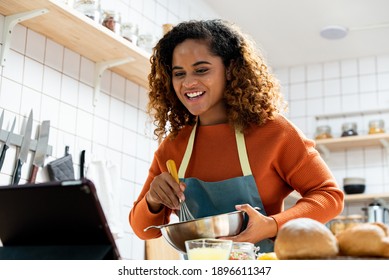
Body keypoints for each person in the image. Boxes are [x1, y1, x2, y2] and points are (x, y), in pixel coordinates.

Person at [129, 19, 344, 253]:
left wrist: (271, 225)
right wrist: (152, 199)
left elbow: (329, 196)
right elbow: (143, 229)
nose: (188, 83)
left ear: (231, 69)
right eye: (179, 73)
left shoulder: (275, 132)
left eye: (201, 70)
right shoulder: (172, 148)